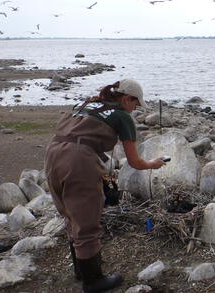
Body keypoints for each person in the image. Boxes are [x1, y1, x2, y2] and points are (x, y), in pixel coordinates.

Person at [45, 79, 166, 293]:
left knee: (71, 215)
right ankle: (93, 282)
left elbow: (78, 133)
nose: (135, 109)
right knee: (87, 220)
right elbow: (135, 162)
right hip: (78, 160)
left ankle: (80, 271)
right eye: (135, 104)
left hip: (53, 153)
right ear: (127, 98)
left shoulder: (88, 104)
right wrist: (153, 164)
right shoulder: (122, 116)